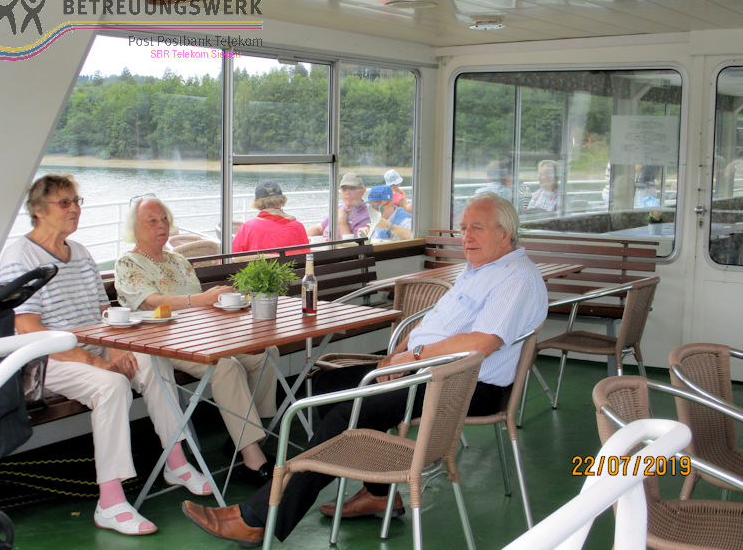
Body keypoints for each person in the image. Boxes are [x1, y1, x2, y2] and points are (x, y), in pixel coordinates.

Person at [181, 193, 549, 546]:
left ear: (506, 233)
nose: (466, 236)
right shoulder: (479, 269)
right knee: (327, 385)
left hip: (464, 385)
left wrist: (413, 358)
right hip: (431, 370)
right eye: (463, 228)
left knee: (346, 414)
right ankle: (377, 493)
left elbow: (483, 342)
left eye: (477, 228)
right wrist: (399, 354)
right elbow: (443, 323)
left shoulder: (515, 277)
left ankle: (258, 518)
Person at [0, 175, 210, 536]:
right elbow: (28, 328)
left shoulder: (80, 253)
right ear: (38, 210)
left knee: (152, 362)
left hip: (92, 344)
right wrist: (95, 360)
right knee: (111, 385)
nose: (74, 209)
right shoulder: (20, 257)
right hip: (46, 358)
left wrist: (116, 347)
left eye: (77, 201)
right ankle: (110, 502)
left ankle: (176, 462)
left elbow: (102, 311)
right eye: (64, 202)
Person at [114, 195, 278, 485]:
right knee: (226, 367)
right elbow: (150, 302)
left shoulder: (178, 260)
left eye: (164, 219)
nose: (161, 225)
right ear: (135, 229)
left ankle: (246, 436)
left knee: (266, 354)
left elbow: (203, 307)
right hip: (164, 343)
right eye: (152, 221)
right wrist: (200, 299)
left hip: (202, 337)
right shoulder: (128, 263)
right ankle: (253, 460)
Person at [232, 182, 309, 254]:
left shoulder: (248, 227)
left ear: (257, 202)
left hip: (259, 264)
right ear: (282, 200)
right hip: (291, 264)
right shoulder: (298, 226)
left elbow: (234, 256)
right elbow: (306, 255)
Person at [306, 173, 369, 239]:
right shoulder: (339, 209)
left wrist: (342, 223)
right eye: (344, 189)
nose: (347, 192)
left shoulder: (366, 217)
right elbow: (319, 228)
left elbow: (354, 244)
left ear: (363, 191)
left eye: (352, 188)